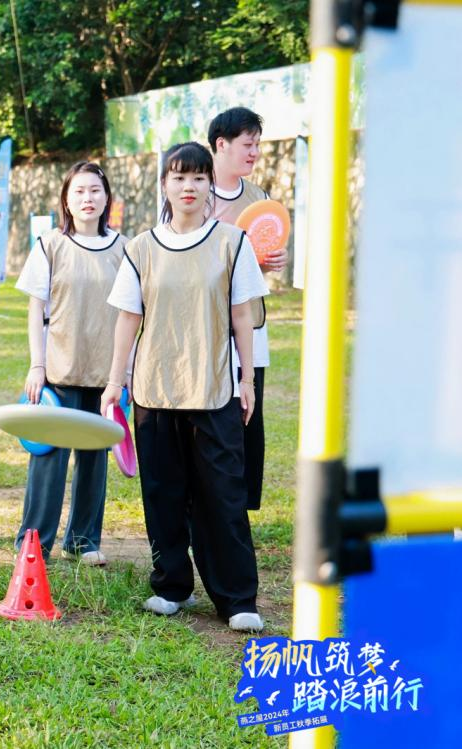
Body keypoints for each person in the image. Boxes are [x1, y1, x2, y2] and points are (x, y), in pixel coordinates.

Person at [101, 142, 267, 633]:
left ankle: (237, 597)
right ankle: (171, 585)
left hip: (214, 388)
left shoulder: (232, 243)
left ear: (209, 184)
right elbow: (128, 319)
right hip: (154, 390)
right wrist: (114, 382)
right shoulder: (140, 248)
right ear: (165, 186)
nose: (189, 186)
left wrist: (247, 379)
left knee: (224, 496)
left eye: (198, 177)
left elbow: (242, 316)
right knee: (163, 492)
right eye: (179, 177)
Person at [14, 162, 127, 563]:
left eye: (95, 190)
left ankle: (83, 542)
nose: (87, 198)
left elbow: (132, 313)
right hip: (58, 370)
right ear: (66, 199)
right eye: (78, 191)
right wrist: (36, 365)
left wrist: (125, 373)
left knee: (94, 461)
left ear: (107, 197)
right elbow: (36, 310)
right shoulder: (49, 245)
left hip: (105, 374)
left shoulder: (124, 248)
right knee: (48, 459)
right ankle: (33, 543)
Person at [208, 107, 288, 512]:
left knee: (247, 417)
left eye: (257, 144)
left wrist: (272, 262)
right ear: (221, 145)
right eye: (247, 144)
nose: (254, 152)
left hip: (250, 325)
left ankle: (238, 510)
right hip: (205, 327)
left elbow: (263, 253)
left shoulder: (261, 199)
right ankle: (205, 507)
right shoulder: (195, 193)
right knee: (209, 419)